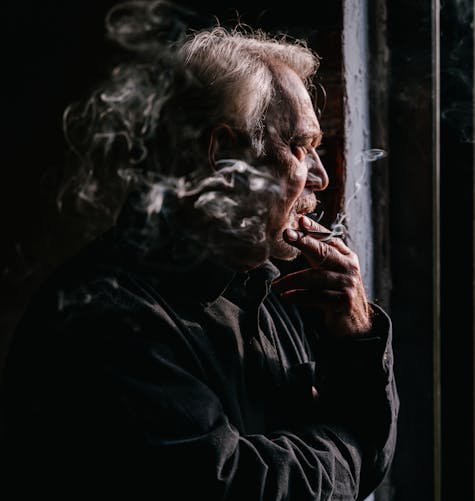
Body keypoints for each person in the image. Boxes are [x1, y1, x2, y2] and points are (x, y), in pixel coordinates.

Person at [0, 3, 397, 500]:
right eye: (300, 146)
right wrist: (348, 446)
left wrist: (355, 338)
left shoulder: (274, 287)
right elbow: (236, 486)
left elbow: (371, 462)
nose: (319, 176)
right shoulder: (109, 318)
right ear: (224, 153)